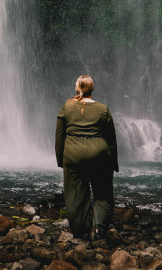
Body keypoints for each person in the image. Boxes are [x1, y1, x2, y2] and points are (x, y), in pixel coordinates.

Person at [55, 74, 118, 241]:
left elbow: (59, 135)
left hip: (74, 155)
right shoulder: (103, 109)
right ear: (92, 89)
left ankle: (80, 231)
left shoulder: (67, 107)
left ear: (77, 88)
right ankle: (98, 229)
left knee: (75, 194)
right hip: (100, 155)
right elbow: (111, 138)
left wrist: (60, 159)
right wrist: (114, 163)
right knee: (103, 193)